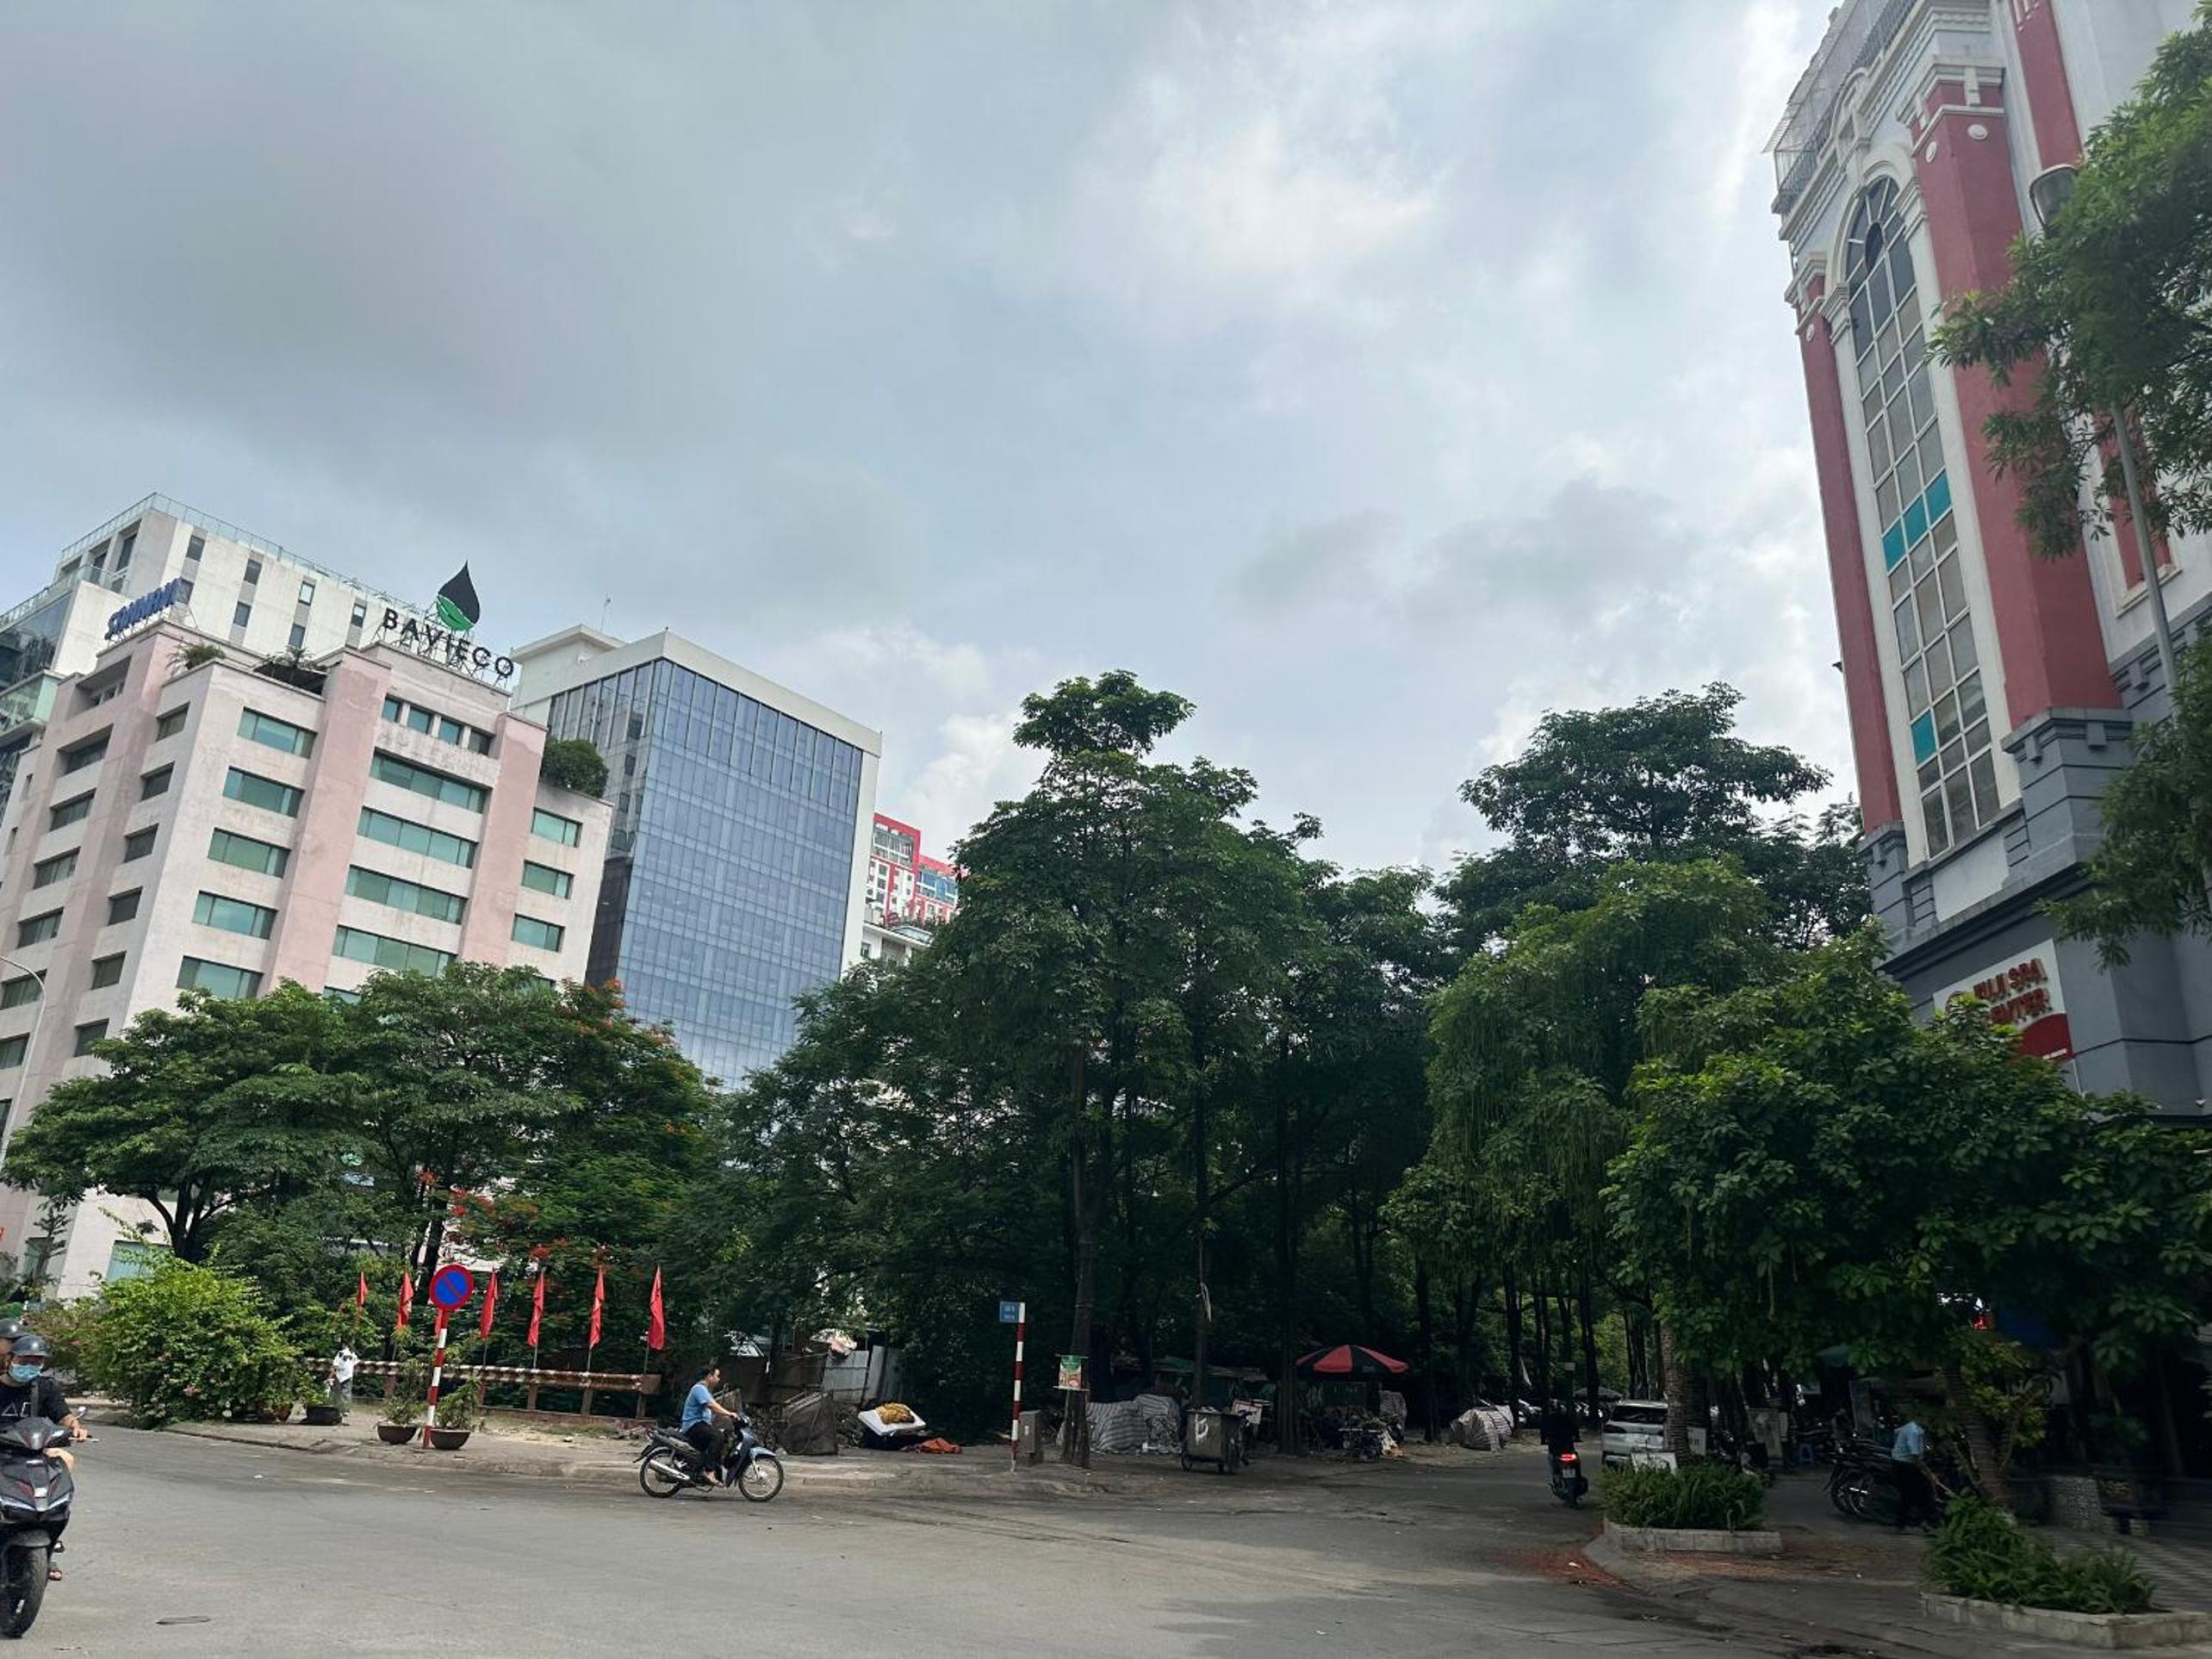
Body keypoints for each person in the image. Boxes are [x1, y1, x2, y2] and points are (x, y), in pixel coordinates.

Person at [0, 1337, 82, 1581]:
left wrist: (75, 1427)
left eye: (36, 1362)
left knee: (66, 1458)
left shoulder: (45, 1387)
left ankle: (50, 1528)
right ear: (10, 1360)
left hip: (34, 1450)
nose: (30, 1366)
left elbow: (63, 1416)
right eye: (25, 1360)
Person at [680, 1363, 741, 1479]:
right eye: (717, 1376)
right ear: (709, 1376)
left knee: (722, 1436)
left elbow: (714, 1410)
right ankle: (709, 1471)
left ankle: (703, 1469)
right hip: (693, 1425)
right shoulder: (699, 1389)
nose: (719, 1379)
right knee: (717, 1436)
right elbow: (712, 1405)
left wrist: (729, 1418)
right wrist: (729, 1414)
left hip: (700, 1425)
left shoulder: (705, 1391)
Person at [1890, 1409, 1931, 1530]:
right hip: (1906, 1464)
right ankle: (1924, 1521)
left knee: (1908, 1494)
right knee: (1920, 1492)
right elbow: (1915, 1455)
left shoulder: (1910, 1427)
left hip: (1901, 1462)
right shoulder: (1913, 1431)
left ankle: (1902, 1523)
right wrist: (1926, 1470)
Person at [329, 1345, 357, 1411]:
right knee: (346, 1393)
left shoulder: (340, 1354)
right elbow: (355, 1364)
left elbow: (335, 1366)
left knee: (336, 1392)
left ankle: (336, 1408)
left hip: (339, 1376)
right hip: (349, 1375)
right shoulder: (353, 1354)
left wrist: (330, 1377)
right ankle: (345, 1410)